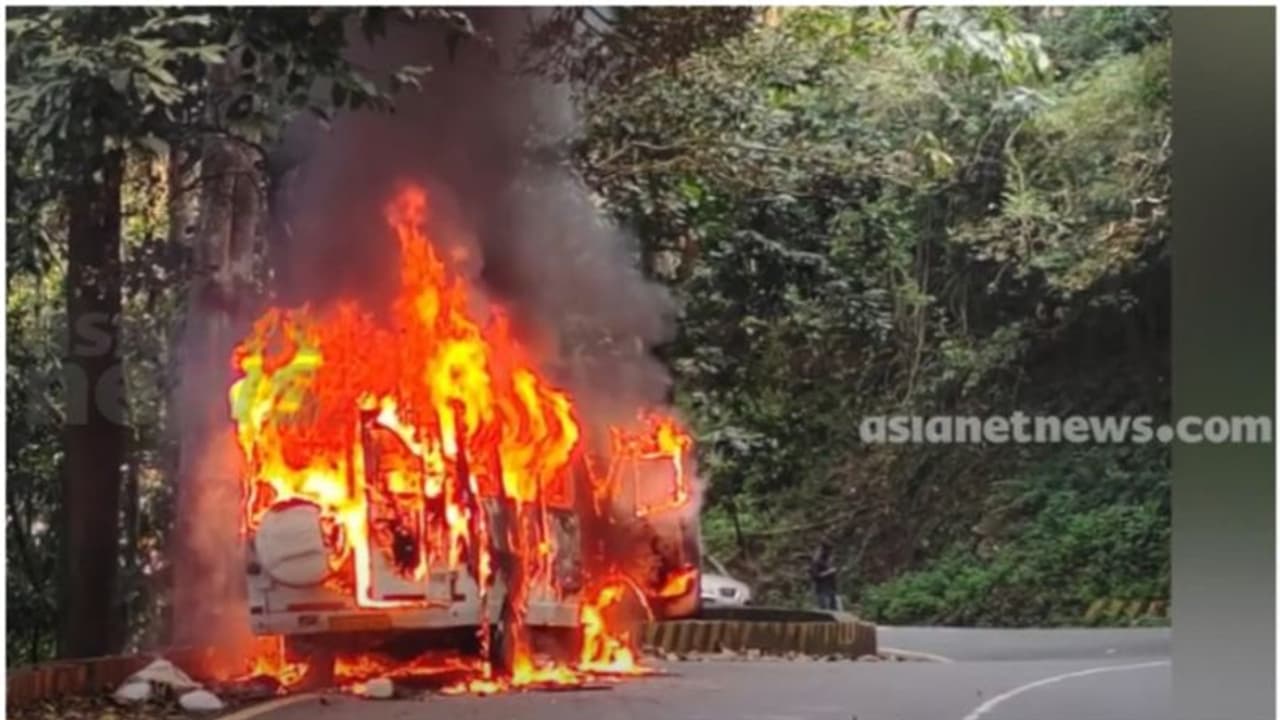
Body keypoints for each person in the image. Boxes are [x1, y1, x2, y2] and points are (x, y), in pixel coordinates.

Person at [809, 541, 838, 610]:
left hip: (831, 588)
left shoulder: (829, 559)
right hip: (822, 590)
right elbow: (815, 576)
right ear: (824, 550)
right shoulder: (816, 560)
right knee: (824, 610)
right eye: (828, 550)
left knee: (835, 609)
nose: (830, 552)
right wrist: (828, 572)